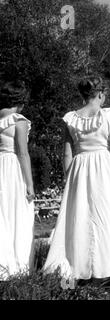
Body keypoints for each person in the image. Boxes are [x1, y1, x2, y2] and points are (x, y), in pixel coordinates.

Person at [43, 76, 110, 281]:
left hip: (79, 169)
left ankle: (76, 269)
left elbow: (66, 154)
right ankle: (107, 268)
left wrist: (68, 181)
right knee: (107, 217)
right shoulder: (109, 115)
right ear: (100, 93)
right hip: (104, 168)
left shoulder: (70, 118)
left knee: (78, 218)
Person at [0, 80, 35, 280]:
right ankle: (17, 268)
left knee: (2, 216)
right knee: (18, 215)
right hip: (13, 170)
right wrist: (30, 184)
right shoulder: (18, 121)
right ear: (21, 101)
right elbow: (22, 153)